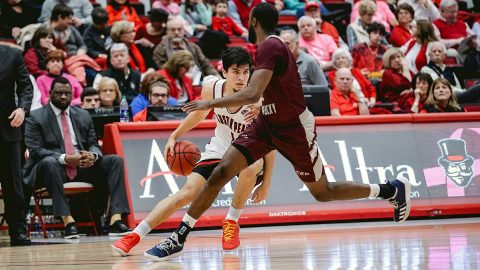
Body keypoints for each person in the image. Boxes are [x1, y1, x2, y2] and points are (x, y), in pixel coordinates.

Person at [145, 3, 412, 261]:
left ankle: (389, 190)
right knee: (221, 172)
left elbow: (253, 92)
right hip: (267, 124)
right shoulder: (266, 47)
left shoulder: (271, 45)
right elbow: (260, 96)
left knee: (323, 192)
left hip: (294, 128)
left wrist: (208, 103)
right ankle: (178, 237)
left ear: (252, 22)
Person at [112, 47, 275, 255]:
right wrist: (175, 135)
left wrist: (267, 184)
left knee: (252, 165)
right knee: (186, 194)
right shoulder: (212, 89)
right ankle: (134, 235)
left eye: (245, 72)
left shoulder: (258, 97)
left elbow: (270, 144)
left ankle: (232, 221)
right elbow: (200, 114)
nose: (241, 77)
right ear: (224, 72)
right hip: (221, 147)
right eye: (235, 71)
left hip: (249, 151)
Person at [24, 77, 131, 239]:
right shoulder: (35, 117)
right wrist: (66, 158)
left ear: (72, 94)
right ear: (50, 93)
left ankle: (116, 219)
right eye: (59, 93)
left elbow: (93, 143)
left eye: (67, 93)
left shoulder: (83, 115)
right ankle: (68, 221)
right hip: (51, 170)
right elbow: (36, 151)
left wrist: (92, 155)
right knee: (49, 162)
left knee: (115, 161)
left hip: (81, 167)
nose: (63, 97)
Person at [0, 44, 33, 246]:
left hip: (8, 127)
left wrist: (22, 108)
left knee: (13, 184)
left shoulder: (12, 54)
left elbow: (25, 86)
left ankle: (18, 231)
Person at [152, 17, 219, 83]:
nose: (176, 32)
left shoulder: (193, 47)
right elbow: (162, 70)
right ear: (167, 32)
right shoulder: (160, 50)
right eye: (173, 30)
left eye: (179, 29)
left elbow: (205, 64)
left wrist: (216, 76)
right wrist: (184, 76)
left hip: (198, 81)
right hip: (175, 82)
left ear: (184, 31)